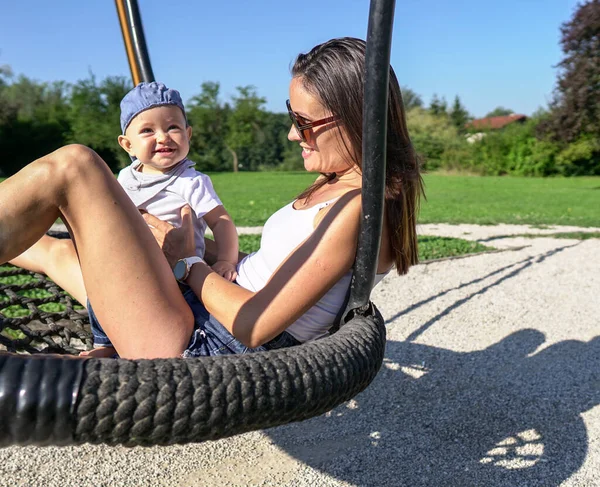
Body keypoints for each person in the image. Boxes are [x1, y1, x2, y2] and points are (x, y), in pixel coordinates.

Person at [0, 37, 423, 360]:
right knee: (56, 251)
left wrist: (187, 263)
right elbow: (274, 272)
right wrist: (180, 245)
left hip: (204, 344)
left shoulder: (356, 208)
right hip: (200, 308)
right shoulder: (342, 188)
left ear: (357, 119)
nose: (294, 134)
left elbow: (255, 325)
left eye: (304, 122)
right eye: (291, 117)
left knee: (74, 167)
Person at [10, 81, 239, 357]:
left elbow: (222, 221)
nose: (163, 137)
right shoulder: (125, 178)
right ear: (127, 144)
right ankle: (105, 343)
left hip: (175, 282)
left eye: (173, 128)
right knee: (99, 288)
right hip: (131, 268)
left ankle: (106, 346)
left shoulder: (191, 182)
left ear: (188, 134)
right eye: (148, 131)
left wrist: (226, 259)